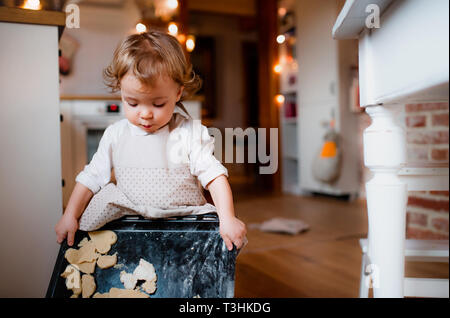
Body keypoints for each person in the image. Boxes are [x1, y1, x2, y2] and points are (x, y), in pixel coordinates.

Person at [55, 31, 246, 251]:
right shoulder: (115, 135)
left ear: (177, 93)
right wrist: (70, 215)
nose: (145, 114)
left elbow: (214, 177)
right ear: (120, 90)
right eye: (133, 103)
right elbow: (91, 178)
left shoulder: (189, 133)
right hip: (131, 225)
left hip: (183, 224)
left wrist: (228, 218)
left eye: (157, 104)